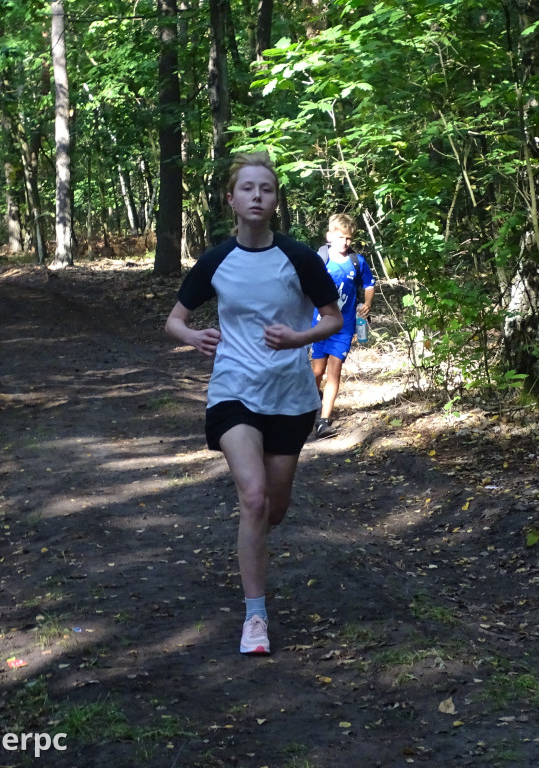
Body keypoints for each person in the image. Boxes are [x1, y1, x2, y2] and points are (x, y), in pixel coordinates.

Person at [165, 151, 343, 656]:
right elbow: (174, 319)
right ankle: (256, 617)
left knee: (275, 510)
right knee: (255, 497)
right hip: (233, 391)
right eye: (248, 188)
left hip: (289, 397)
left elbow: (332, 319)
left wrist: (297, 338)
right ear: (232, 199)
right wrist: (191, 336)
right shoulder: (216, 259)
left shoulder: (301, 258)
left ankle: (255, 540)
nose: (257, 196)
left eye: (265, 188)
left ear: (275, 200)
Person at [309, 213, 376, 439]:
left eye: (348, 239)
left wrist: (367, 303)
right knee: (317, 371)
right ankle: (308, 407)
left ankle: (324, 421)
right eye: (340, 238)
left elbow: (368, 284)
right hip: (319, 326)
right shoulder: (320, 259)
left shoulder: (358, 262)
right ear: (329, 237)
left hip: (344, 327)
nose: (344, 243)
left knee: (334, 372)